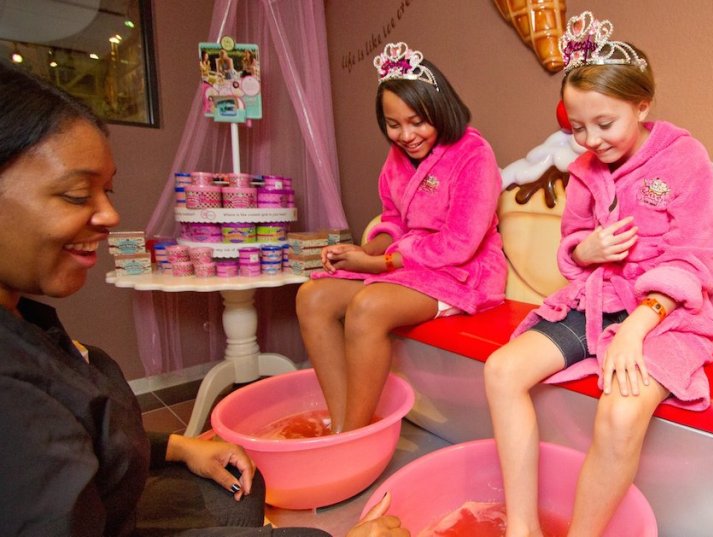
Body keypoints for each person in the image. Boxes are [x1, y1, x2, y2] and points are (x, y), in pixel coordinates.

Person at [0, 63, 408, 537]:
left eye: (106, 191)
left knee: (241, 482)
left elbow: (85, 438)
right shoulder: (13, 397)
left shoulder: (22, 321)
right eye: (75, 195)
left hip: (111, 506)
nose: (109, 214)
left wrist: (180, 446)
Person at [484, 11, 713, 537]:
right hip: (598, 299)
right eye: (577, 128)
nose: (590, 140)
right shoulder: (586, 171)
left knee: (618, 413)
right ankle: (522, 527)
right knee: (502, 372)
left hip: (665, 315)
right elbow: (570, 249)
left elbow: (696, 259)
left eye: (605, 124)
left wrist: (636, 329)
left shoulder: (685, 159)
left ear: (642, 105)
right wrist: (587, 249)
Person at [296, 42, 506, 433]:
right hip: (410, 266)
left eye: (417, 121)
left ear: (439, 110)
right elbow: (393, 220)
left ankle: (355, 437)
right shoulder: (398, 158)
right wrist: (358, 251)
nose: (406, 135)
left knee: (369, 305)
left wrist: (378, 264)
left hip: (464, 271)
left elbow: (459, 244)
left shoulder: (473, 154)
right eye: (394, 125)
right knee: (314, 297)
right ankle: (342, 424)